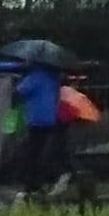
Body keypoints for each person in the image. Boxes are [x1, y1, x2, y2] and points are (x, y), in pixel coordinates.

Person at [11, 58, 68, 194]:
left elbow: (19, 92)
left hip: (37, 119)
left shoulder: (34, 77)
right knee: (45, 150)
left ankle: (31, 183)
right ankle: (42, 180)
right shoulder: (53, 78)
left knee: (32, 151)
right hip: (51, 118)